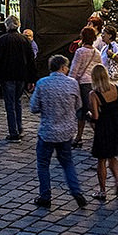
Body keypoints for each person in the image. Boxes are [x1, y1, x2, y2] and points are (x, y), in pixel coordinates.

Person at [32, 55, 89, 209]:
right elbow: (78, 105)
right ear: (63, 67)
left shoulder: (42, 83)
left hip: (47, 131)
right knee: (67, 163)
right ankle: (76, 191)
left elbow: (34, 107)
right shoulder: (72, 84)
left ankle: (45, 195)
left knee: (43, 164)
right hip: (66, 132)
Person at [87, 65, 118, 201]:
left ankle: (103, 191)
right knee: (113, 156)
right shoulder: (116, 89)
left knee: (101, 159)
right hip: (117, 124)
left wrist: (89, 116)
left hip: (104, 126)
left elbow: (96, 116)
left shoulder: (94, 94)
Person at [0, 20, 35, 141]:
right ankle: (19, 128)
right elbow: (31, 60)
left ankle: (13, 132)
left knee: (10, 104)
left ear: (6, 25)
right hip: (21, 75)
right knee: (17, 102)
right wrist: (31, 79)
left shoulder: (3, 39)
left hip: (8, 75)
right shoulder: (24, 40)